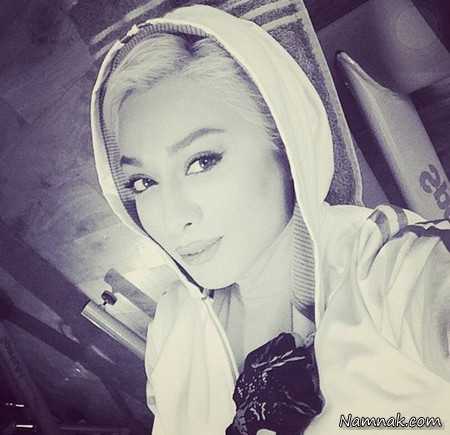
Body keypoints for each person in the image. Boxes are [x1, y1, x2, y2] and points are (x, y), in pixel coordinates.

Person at [91, 5, 450, 435]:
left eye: (202, 161)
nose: (171, 219)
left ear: (284, 140)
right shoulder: (170, 331)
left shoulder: (386, 268)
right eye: (143, 182)